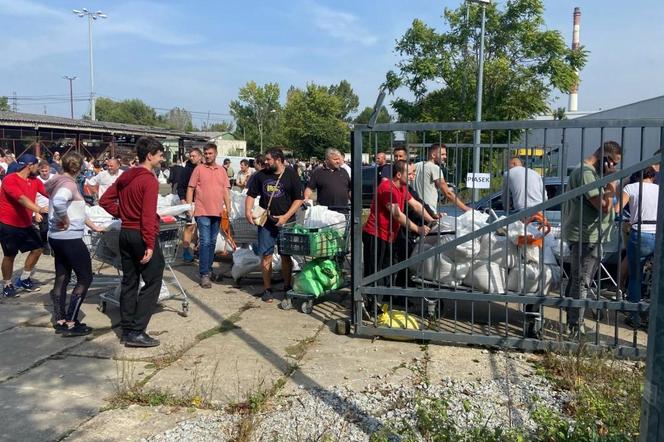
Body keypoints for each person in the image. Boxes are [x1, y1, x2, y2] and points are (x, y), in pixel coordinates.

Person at [99, 137, 166, 347]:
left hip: (126, 232)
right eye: (160, 155)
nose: (162, 159)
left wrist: (123, 214)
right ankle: (137, 330)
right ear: (150, 155)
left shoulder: (127, 175)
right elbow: (147, 215)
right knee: (154, 279)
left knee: (130, 280)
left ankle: (127, 327)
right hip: (140, 232)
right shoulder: (148, 180)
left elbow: (105, 200)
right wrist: (149, 243)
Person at [562, 141, 622, 339]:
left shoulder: (590, 172)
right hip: (586, 236)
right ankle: (575, 326)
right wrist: (612, 185)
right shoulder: (587, 173)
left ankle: (572, 316)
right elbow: (602, 206)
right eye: (613, 163)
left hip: (590, 235)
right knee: (583, 281)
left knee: (578, 278)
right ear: (605, 158)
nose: (614, 168)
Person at [46, 152, 104, 337]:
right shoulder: (68, 184)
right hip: (69, 237)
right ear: (79, 168)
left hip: (57, 237)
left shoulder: (57, 181)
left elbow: (76, 210)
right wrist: (64, 219)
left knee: (62, 276)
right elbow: (60, 202)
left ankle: (60, 319)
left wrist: (93, 226)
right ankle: (71, 320)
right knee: (85, 277)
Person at [245, 148, 303, 302]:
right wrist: (247, 211)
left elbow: (299, 199)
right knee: (266, 255)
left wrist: (286, 216)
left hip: (286, 221)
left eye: (269, 159)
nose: (265, 162)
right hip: (266, 222)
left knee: (286, 255)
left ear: (278, 159)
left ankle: (287, 286)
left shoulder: (291, 174)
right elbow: (251, 194)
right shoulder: (261, 175)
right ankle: (267, 289)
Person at [362, 160, 431, 285]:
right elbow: (397, 214)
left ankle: (383, 298)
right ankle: (368, 300)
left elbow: (415, 205)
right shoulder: (387, 188)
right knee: (373, 270)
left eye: (413, 173)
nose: (412, 176)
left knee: (387, 268)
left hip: (389, 235)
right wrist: (418, 229)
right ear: (399, 175)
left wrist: (431, 219)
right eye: (409, 173)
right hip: (376, 234)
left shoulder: (402, 188)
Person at [0, 154, 49, 297]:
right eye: (37, 166)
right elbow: (21, 198)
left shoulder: (34, 180)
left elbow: (47, 192)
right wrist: (38, 209)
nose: (39, 169)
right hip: (9, 224)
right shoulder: (10, 179)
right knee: (10, 255)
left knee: (38, 248)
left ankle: (24, 278)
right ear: (30, 166)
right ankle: (7, 284)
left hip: (26, 224)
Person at [186, 143, 231, 288]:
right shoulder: (199, 169)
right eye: (206, 153)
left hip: (217, 212)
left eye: (210, 153)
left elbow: (225, 191)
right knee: (205, 242)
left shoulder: (222, 171)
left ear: (216, 153)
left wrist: (228, 207)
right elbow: (191, 188)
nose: (207, 155)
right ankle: (204, 274)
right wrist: (189, 207)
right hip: (202, 211)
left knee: (212, 242)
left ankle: (209, 270)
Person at [621, 166, 658, 328]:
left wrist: (627, 221)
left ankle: (633, 315)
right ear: (652, 176)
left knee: (635, 277)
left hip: (640, 233)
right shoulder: (659, 189)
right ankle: (654, 316)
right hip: (658, 234)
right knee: (657, 278)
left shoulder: (631, 187)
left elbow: (617, 209)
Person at [414, 144, 470, 214]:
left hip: (414, 209)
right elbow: (447, 193)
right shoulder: (435, 168)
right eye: (442, 154)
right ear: (433, 155)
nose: (445, 157)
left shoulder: (416, 166)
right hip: (428, 211)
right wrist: (465, 208)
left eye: (445, 154)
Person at [177, 149, 203, 262]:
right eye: (190, 156)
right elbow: (181, 187)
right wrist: (184, 202)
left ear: (200, 157)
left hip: (203, 202)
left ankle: (198, 249)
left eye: (194, 156)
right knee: (189, 226)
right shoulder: (186, 170)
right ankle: (186, 251)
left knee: (201, 227)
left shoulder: (204, 168)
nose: (191, 158)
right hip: (190, 202)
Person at [36, 160, 55, 255]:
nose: (44, 173)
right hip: (41, 207)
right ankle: (44, 243)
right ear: (39, 170)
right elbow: (33, 197)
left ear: (49, 170)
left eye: (46, 171)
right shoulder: (36, 180)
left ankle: (54, 247)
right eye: (42, 171)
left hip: (54, 207)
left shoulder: (54, 178)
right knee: (44, 229)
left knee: (55, 229)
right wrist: (36, 212)